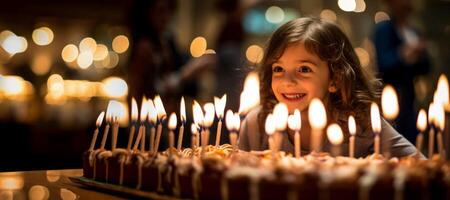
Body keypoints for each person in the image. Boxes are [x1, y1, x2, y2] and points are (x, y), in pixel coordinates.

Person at [238, 17, 422, 158]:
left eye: (304, 69)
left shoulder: (361, 123)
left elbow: (418, 166)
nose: (287, 81)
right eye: (278, 69)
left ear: (335, 78)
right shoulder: (258, 124)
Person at [128, 0, 216, 111]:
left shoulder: (165, 42)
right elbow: (151, 89)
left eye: (168, 11)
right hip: (149, 115)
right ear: (148, 13)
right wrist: (187, 73)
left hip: (164, 112)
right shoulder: (144, 48)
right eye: (160, 11)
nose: (165, 17)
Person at [373, 0, 430, 143]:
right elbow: (383, 64)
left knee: (412, 137)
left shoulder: (414, 31)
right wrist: (404, 54)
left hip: (410, 94)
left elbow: (425, 68)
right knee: (392, 137)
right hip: (391, 92)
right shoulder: (384, 29)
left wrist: (420, 55)